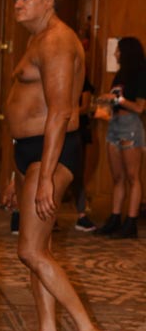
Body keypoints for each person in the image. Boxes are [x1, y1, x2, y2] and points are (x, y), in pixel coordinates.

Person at [1, 0, 113, 331]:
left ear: (49, 1)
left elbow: (62, 111)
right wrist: (13, 175)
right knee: (39, 251)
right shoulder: (36, 39)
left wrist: (46, 175)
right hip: (30, 154)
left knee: (30, 250)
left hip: (52, 153)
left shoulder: (56, 40)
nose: (18, 4)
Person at [94, 36, 146, 239]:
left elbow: (140, 107)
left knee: (133, 176)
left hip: (130, 126)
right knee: (117, 177)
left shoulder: (141, 74)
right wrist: (104, 103)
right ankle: (115, 218)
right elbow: (114, 100)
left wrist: (118, 99)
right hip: (114, 124)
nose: (115, 54)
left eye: (118, 50)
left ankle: (131, 221)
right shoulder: (120, 75)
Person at [72, 71, 97, 231]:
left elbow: (85, 106)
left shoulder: (82, 79)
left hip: (77, 130)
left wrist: (67, 113)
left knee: (77, 173)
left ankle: (81, 215)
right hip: (57, 129)